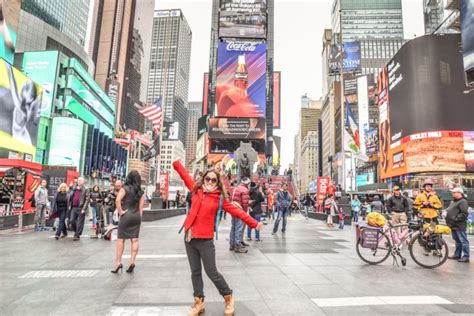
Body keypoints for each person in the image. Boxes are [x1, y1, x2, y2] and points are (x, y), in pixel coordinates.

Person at [172, 160, 261, 316]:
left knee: (211, 272)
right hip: (189, 237)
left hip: (205, 240)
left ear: (217, 182)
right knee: (195, 272)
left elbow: (237, 211)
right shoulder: (196, 190)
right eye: (208, 179)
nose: (210, 182)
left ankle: (228, 298)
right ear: (203, 179)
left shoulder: (220, 198)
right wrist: (176, 164)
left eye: (214, 179)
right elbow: (185, 176)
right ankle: (198, 302)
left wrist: (253, 223)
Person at [111, 171, 145, 274]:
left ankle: (118, 263)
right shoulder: (140, 191)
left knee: (121, 240)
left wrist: (121, 211)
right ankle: (131, 262)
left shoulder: (124, 188)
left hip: (126, 215)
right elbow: (141, 208)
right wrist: (139, 218)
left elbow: (117, 200)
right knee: (134, 240)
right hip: (136, 216)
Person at [445, 187, 470, 263]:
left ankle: (466, 256)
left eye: (454, 192)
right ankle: (457, 255)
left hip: (459, 225)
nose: (452, 193)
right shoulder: (454, 202)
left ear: (459, 193)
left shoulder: (463, 201)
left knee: (463, 241)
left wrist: (455, 218)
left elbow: (464, 213)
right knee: (457, 241)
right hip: (453, 225)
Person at [229, 178, 251, 253]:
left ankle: (232, 244)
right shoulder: (245, 190)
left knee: (233, 227)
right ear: (247, 184)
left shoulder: (236, 188)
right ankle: (237, 245)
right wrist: (245, 211)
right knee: (239, 228)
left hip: (233, 209)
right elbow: (245, 203)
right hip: (240, 210)